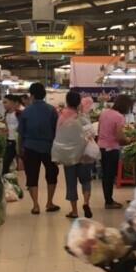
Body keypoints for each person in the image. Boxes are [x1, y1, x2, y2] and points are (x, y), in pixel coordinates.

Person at [17, 82, 60, 214]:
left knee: (32, 175)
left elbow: (21, 133)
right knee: (52, 173)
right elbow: (56, 131)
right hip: (48, 147)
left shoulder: (26, 111)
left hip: (30, 147)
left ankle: (35, 205)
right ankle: (49, 202)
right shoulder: (51, 110)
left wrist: (19, 149)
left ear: (32, 95)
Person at [58, 91, 96, 219]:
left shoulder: (63, 117)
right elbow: (92, 134)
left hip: (70, 155)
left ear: (67, 102)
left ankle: (74, 211)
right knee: (86, 180)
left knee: (71, 182)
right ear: (79, 102)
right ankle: (85, 203)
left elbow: (59, 137)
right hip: (85, 154)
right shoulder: (85, 117)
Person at [97, 94, 135, 209]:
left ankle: (108, 199)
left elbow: (99, 130)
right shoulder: (119, 117)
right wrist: (129, 140)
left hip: (102, 147)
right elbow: (119, 137)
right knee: (110, 175)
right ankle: (109, 202)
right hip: (111, 149)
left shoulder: (104, 112)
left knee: (105, 175)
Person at [1, 94, 23, 175]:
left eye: (6, 102)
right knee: (6, 161)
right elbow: (7, 126)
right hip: (9, 141)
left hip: (18, 142)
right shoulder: (6, 113)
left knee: (23, 162)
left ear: (13, 103)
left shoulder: (19, 114)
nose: (4, 104)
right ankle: (5, 179)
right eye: (3, 102)